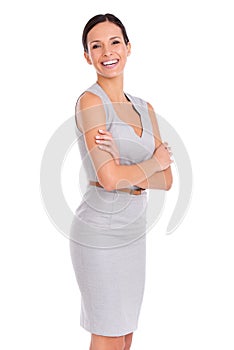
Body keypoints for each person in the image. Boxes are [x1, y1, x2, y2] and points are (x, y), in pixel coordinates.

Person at [69, 13, 173, 350]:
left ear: (128, 48)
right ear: (87, 56)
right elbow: (110, 178)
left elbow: (167, 180)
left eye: (115, 42)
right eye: (95, 45)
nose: (106, 51)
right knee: (108, 336)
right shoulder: (91, 102)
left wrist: (138, 170)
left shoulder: (146, 108)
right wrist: (151, 164)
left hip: (133, 232)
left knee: (125, 337)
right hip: (100, 231)